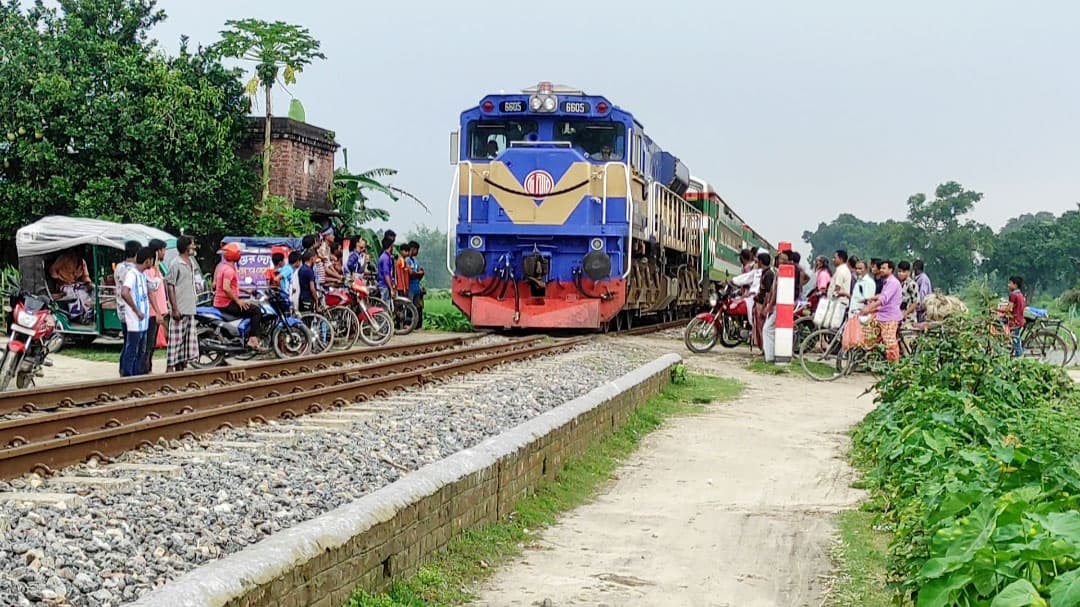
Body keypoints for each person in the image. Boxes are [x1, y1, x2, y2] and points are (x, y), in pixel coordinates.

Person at [213, 242, 263, 351]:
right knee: (256, 310)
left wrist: (246, 290)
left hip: (221, 302)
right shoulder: (229, 270)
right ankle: (253, 339)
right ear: (235, 255)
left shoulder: (224, 267)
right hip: (226, 303)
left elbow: (231, 285)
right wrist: (238, 301)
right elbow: (226, 288)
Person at [165, 236, 199, 373]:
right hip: (180, 308)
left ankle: (180, 368)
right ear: (186, 247)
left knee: (185, 343)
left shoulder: (190, 262)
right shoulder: (176, 263)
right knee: (175, 341)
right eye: (192, 245)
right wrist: (174, 308)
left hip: (189, 307)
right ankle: (169, 368)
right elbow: (170, 285)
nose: (194, 247)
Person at [120, 247, 154, 377]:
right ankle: (128, 375)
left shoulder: (143, 274)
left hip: (143, 321)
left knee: (141, 350)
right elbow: (124, 292)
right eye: (152, 260)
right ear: (148, 260)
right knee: (132, 350)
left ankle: (137, 375)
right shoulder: (132, 274)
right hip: (135, 320)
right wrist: (136, 309)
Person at [862, 260, 903, 362]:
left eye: (884, 268)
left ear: (891, 270)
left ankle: (895, 367)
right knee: (868, 333)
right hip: (882, 315)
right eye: (881, 268)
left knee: (889, 342)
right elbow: (882, 295)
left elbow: (883, 299)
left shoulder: (893, 283)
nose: (881, 270)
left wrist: (869, 308)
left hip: (890, 317)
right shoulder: (887, 282)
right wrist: (872, 298)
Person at [113, 240, 141, 374]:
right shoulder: (132, 270)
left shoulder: (119, 267)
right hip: (130, 311)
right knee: (132, 344)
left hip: (121, 310)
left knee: (127, 342)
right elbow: (128, 291)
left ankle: (122, 369)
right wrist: (136, 309)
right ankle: (128, 372)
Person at [142, 239, 168, 374]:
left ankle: (148, 367)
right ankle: (145, 369)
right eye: (164, 250)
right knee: (149, 343)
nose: (165, 253)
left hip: (157, 311)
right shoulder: (149, 271)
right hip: (152, 312)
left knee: (152, 344)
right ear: (158, 252)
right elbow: (153, 289)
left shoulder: (155, 269)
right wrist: (158, 312)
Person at [49, 248, 94, 322]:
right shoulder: (63, 258)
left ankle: (88, 314)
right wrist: (62, 278)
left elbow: (86, 276)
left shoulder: (82, 262)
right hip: (64, 286)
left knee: (90, 291)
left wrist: (89, 284)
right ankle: (76, 316)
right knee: (80, 292)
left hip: (77, 285)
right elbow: (52, 271)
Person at [762, 251, 788, 362]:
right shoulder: (779, 272)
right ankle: (771, 355)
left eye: (782, 259)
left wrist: (769, 306)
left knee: (767, 329)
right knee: (770, 329)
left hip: (779, 305)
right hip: (780, 305)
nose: (780, 261)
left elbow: (775, 291)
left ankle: (770, 356)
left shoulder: (779, 273)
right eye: (779, 259)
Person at [752, 252, 774, 349]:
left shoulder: (768, 275)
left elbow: (768, 293)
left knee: (762, 328)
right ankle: (763, 348)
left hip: (762, 304)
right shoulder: (766, 273)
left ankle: (764, 349)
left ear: (761, 262)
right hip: (760, 302)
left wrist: (765, 307)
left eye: (758, 261)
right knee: (760, 327)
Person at [407, 241, 425, 327]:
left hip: (416, 286)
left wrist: (419, 273)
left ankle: (416, 324)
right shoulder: (407, 260)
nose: (417, 252)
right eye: (417, 250)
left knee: (417, 306)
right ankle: (408, 323)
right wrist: (419, 273)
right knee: (409, 306)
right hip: (410, 286)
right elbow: (411, 273)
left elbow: (418, 273)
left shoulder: (415, 261)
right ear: (413, 249)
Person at [1007, 276, 1026, 357]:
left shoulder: (1013, 295)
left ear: (1015, 285)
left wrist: (997, 310)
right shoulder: (1020, 294)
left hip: (1014, 322)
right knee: (1016, 340)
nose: (1008, 285)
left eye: (1010, 283)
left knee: (1016, 342)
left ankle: (1021, 360)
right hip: (1020, 320)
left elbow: (1009, 309)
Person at [378, 237, 396, 308]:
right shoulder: (385, 258)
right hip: (384, 286)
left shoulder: (386, 257)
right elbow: (386, 274)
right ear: (390, 246)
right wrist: (391, 288)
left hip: (385, 285)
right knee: (385, 307)